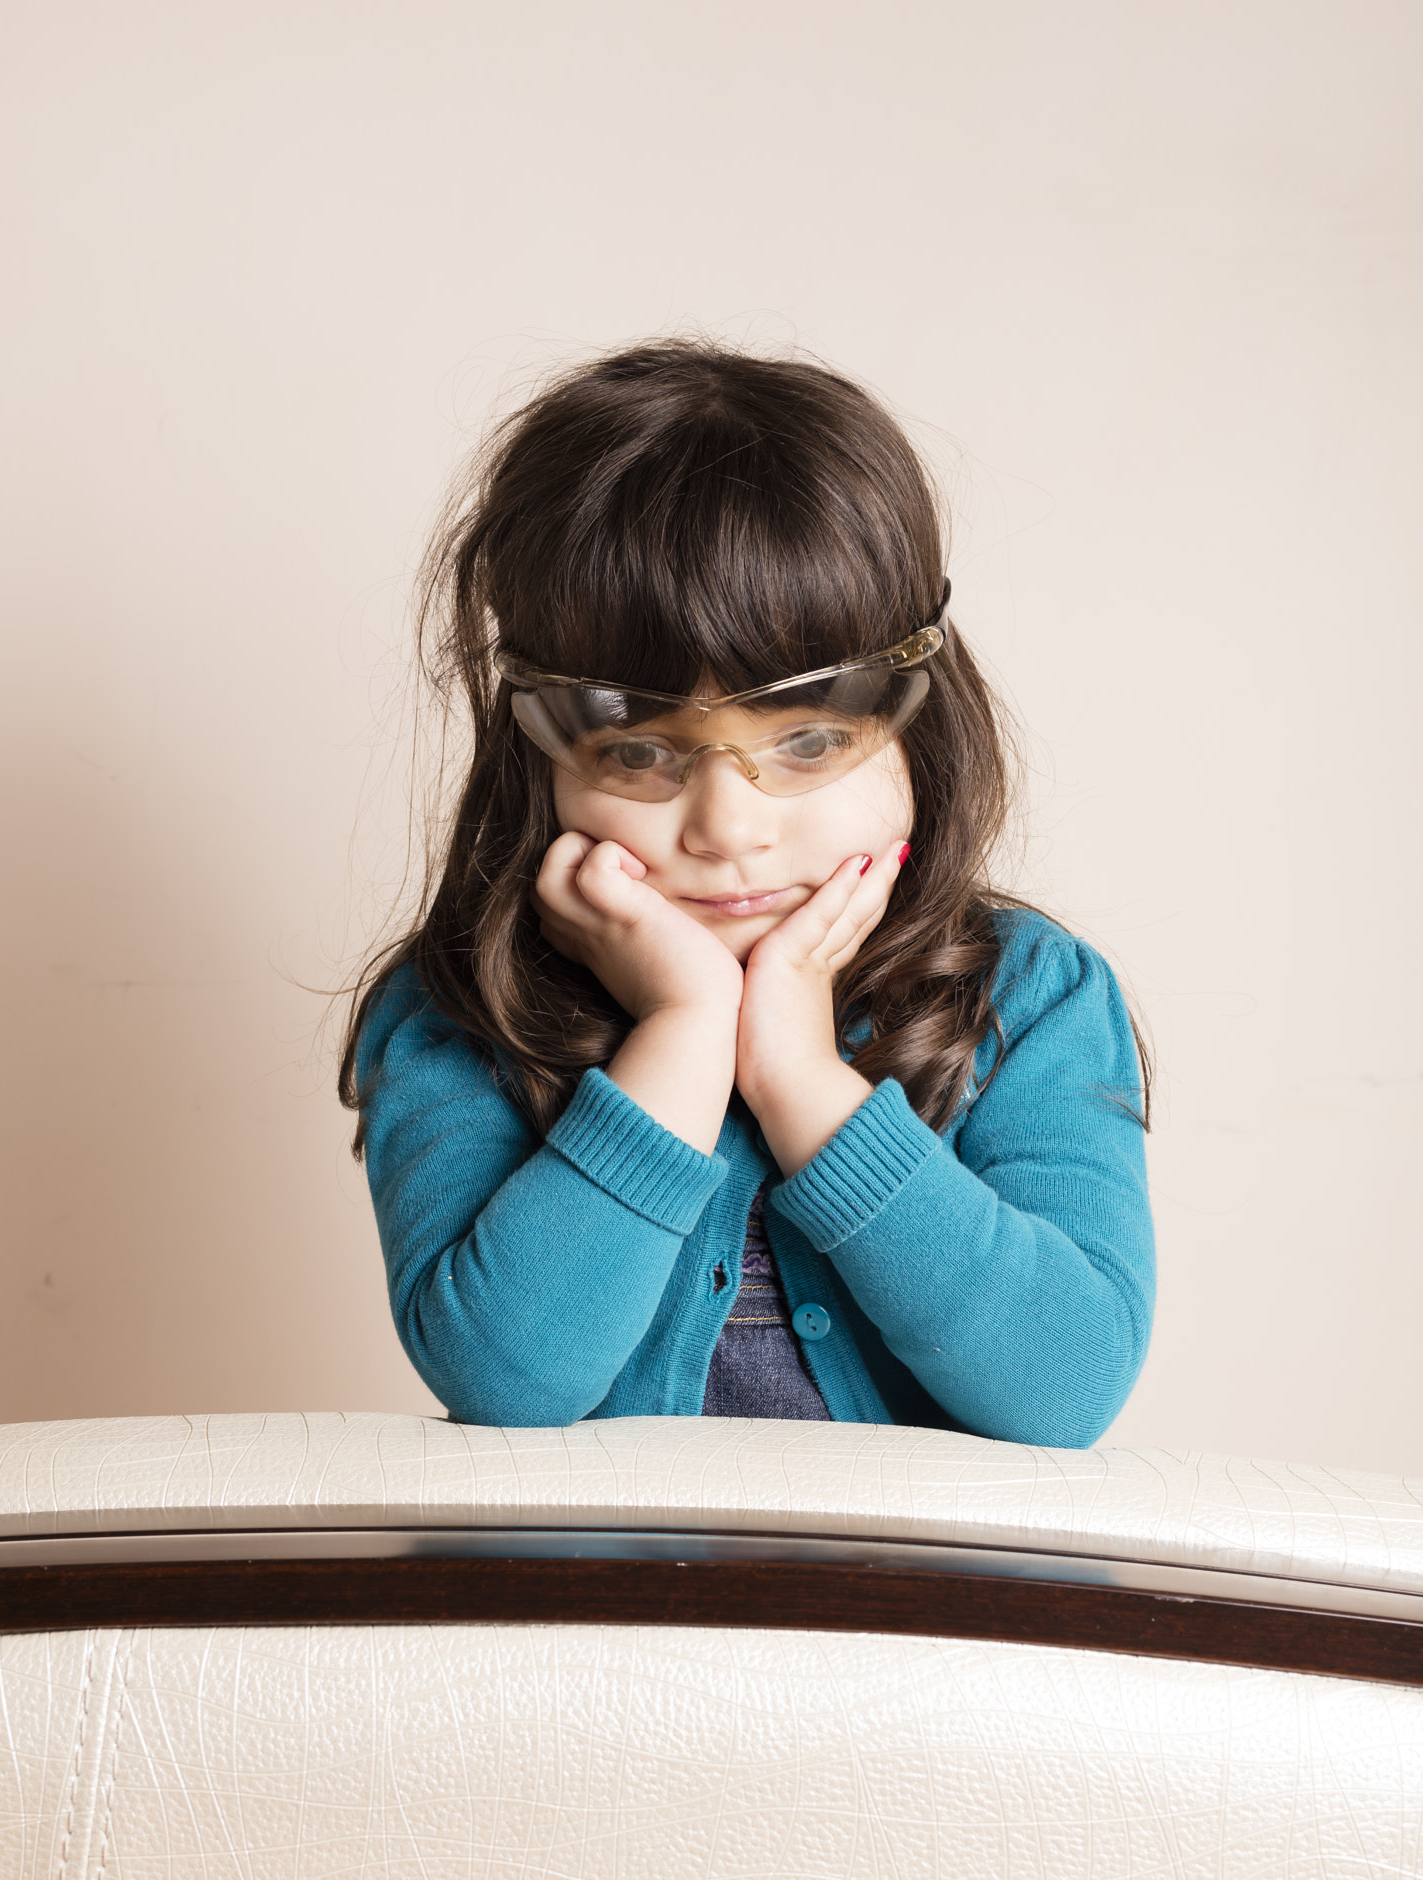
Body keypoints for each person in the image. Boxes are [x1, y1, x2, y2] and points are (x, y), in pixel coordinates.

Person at [340, 340, 1155, 1447]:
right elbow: (504, 1379)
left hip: (909, 1621)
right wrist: (683, 1033)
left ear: (922, 717)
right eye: (638, 754)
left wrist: (801, 1080)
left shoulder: (1031, 1000)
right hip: (599, 1617)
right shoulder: (461, 1011)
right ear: (540, 755)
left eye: (809, 739)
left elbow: (1065, 1389)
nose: (728, 828)